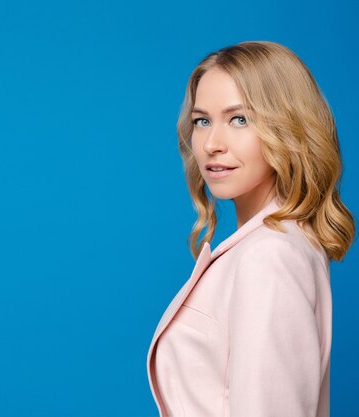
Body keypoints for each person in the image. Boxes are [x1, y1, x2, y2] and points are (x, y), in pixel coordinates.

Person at [146, 41, 355, 417]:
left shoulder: (268, 256)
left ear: (286, 128)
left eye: (239, 119)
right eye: (202, 121)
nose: (211, 144)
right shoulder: (282, 241)